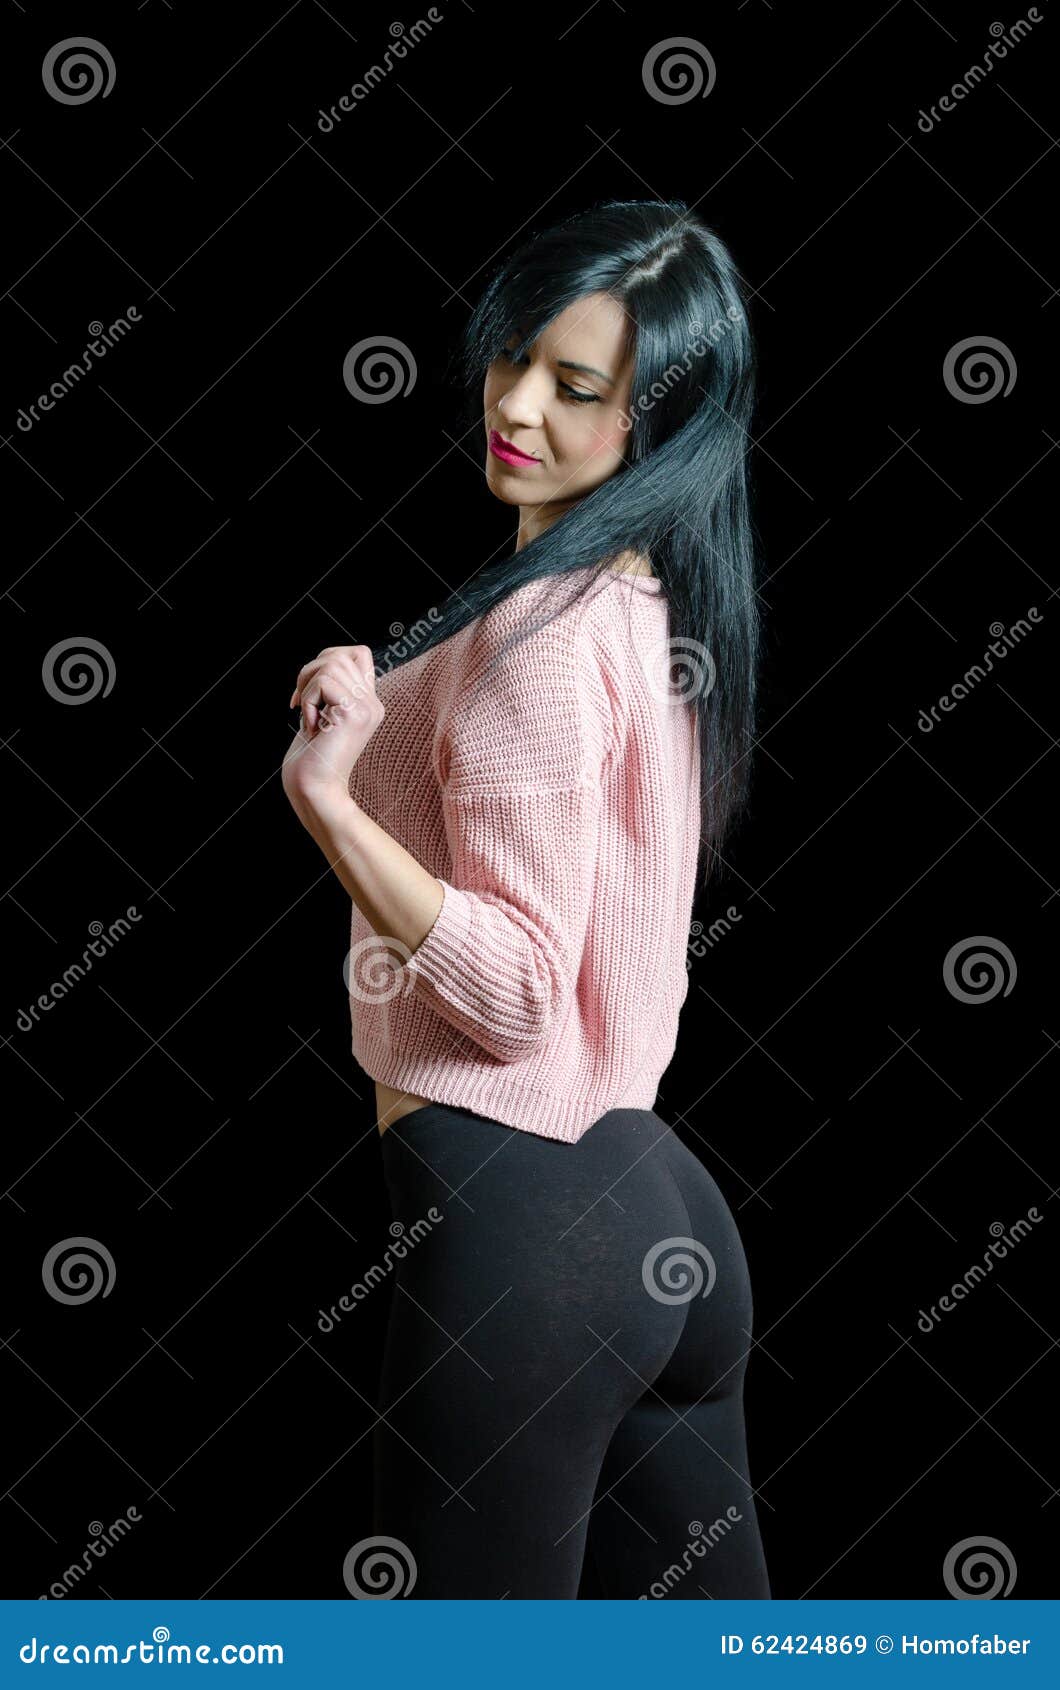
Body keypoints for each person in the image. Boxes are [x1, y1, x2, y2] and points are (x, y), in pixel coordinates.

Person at [281, 199, 771, 1599]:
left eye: (578, 388)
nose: (517, 407)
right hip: (659, 1215)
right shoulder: (640, 612)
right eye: (517, 360)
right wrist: (386, 709)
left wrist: (324, 801)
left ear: (655, 422)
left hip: (522, 1236)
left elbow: (515, 992)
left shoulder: (531, 643)